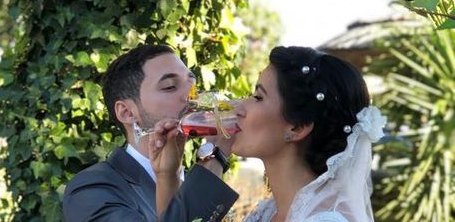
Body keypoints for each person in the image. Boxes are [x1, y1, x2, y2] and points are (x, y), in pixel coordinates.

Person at [150, 46, 386, 222]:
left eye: (258, 97)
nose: (240, 106)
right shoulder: (269, 212)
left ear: (297, 128)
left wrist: (216, 156)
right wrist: (167, 176)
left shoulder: (325, 219)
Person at [63, 44, 238, 221]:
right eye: (170, 87)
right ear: (127, 112)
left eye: (192, 84)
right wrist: (216, 154)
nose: (191, 96)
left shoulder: (194, 180)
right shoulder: (91, 190)